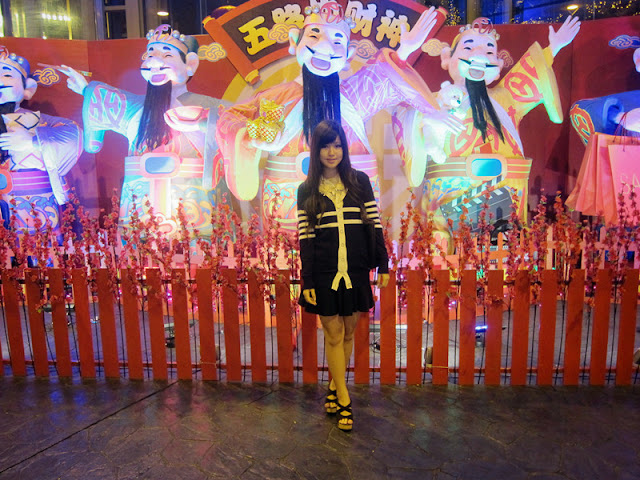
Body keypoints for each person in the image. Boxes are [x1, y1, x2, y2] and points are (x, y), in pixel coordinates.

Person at [217, 3, 460, 231]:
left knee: (352, 250)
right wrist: (250, 138)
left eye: (337, 41)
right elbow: (231, 119)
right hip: (289, 193)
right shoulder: (276, 97)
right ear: (294, 41)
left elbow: (384, 74)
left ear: (348, 54)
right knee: (291, 253)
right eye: (314, 36)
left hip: (352, 192)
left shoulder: (354, 94)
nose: (325, 47)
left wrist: (405, 49)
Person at [394, 16, 580, 228]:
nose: (480, 55)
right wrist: (427, 116)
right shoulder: (438, 99)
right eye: (468, 48)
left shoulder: (506, 96)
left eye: (489, 51)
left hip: (506, 186)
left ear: (498, 65)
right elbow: (404, 106)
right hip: (450, 190)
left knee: (504, 243)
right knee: (446, 241)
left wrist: (553, 48)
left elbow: (534, 71)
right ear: (447, 58)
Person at [60, 24, 226, 238]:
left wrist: (200, 125)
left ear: (190, 64)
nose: (155, 61)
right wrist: (85, 89)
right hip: (142, 195)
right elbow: (105, 98)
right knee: (143, 246)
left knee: (194, 244)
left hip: (190, 195)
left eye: (167, 55)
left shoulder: (210, 107)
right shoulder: (135, 107)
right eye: (150, 54)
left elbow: (234, 127)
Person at [297, 120, 389, 431]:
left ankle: (334, 388)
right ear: (316, 150)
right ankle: (345, 399)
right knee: (333, 334)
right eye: (325, 145)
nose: (331, 152)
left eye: (337, 145)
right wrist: (308, 280)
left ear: (344, 148)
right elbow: (306, 238)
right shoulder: (306, 190)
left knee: (348, 333)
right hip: (324, 273)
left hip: (356, 269)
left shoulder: (360, 182)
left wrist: (383, 264)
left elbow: (374, 224)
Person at [0, 46, 82, 238]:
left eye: (7, 74)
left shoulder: (39, 120)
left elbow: (74, 133)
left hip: (34, 197)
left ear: (28, 88)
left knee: (39, 246)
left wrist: (34, 141)